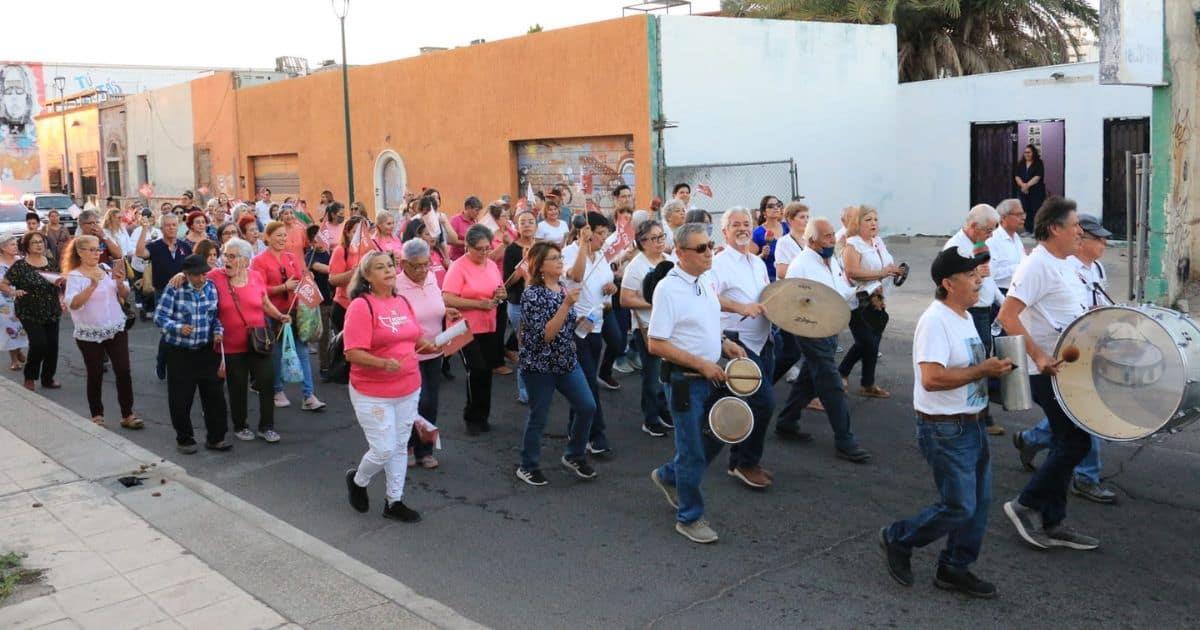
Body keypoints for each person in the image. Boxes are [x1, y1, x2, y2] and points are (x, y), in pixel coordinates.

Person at [881, 248, 1013, 598]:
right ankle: (898, 538)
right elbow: (932, 378)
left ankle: (954, 568)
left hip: (972, 422)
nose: (979, 280)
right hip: (944, 428)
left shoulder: (964, 316)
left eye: (979, 273)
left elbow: (967, 370)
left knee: (978, 505)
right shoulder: (935, 320)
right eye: (971, 276)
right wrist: (982, 370)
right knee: (959, 505)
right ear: (947, 283)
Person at [996, 196, 1100, 551]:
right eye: (1074, 226)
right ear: (1054, 228)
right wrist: (1039, 357)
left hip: (1068, 368)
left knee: (1067, 441)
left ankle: (1053, 521)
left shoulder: (1065, 263)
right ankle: (1024, 506)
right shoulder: (1036, 265)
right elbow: (1007, 317)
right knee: (1076, 442)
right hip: (1046, 371)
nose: (1080, 232)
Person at [646, 222, 749, 544]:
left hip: (710, 374)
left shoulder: (704, 279)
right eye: (701, 248)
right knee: (691, 450)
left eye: (710, 245)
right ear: (680, 253)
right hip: (684, 380)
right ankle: (689, 517)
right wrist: (703, 363)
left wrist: (723, 344)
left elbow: (703, 322)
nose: (710, 252)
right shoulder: (668, 288)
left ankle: (668, 475)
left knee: (721, 435)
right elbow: (656, 344)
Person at [1012, 213, 1116, 504]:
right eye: (1098, 238)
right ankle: (1084, 477)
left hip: (1089, 349)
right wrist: (1039, 356)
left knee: (1075, 423)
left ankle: (1032, 440)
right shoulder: (1054, 267)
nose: (1104, 243)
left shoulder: (1095, 268)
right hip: (1061, 358)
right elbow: (1010, 315)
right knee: (1083, 422)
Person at [343, 250, 437, 524]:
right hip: (373, 391)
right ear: (367, 276)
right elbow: (352, 352)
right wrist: (383, 364)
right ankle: (358, 480)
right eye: (380, 267)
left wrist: (427, 342)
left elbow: (413, 333)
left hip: (409, 386)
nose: (388, 271)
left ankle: (393, 501)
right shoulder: (362, 306)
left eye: (390, 265)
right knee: (383, 448)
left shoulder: (402, 300)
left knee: (398, 446)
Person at [775, 218, 871, 463]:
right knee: (831, 383)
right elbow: (794, 303)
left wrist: (862, 288)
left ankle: (786, 422)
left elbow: (838, 292)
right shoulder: (801, 266)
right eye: (826, 237)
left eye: (831, 235)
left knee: (808, 378)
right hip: (810, 331)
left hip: (830, 328)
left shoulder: (831, 260)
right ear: (811, 241)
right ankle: (845, 440)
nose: (832, 240)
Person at [515, 241, 599, 485]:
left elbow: (564, 325)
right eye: (554, 258)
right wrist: (566, 306)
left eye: (560, 257)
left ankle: (574, 454)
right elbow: (546, 335)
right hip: (540, 365)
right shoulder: (532, 294)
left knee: (587, 406)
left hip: (566, 360)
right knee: (539, 415)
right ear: (540, 266)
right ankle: (528, 465)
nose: (561, 261)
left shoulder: (562, 287)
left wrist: (582, 320)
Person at [711, 208, 777, 489]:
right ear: (724, 231)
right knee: (764, 403)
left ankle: (741, 460)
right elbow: (710, 299)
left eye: (746, 224)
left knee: (754, 404)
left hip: (765, 342)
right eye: (735, 225)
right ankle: (745, 462)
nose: (742, 229)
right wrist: (741, 307)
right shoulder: (718, 263)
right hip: (738, 343)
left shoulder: (758, 263)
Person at [61, 235, 139, 428]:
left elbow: (124, 294)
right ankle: (97, 414)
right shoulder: (75, 276)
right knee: (95, 373)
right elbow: (73, 304)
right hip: (90, 331)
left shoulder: (105, 269)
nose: (97, 253)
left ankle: (127, 414)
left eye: (99, 248)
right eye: (92, 250)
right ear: (80, 252)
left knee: (123, 371)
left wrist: (120, 283)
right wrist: (92, 286)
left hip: (115, 326)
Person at [155, 254, 229, 454]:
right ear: (186, 275)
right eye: (197, 275)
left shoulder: (211, 287)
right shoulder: (174, 288)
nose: (202, 278)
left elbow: (215, 317)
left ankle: (216, 438)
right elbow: (159, 317)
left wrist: (218, 332)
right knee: (181, 398)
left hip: (206, 350)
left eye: (204, 273)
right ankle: (185, 439)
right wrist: (178, 327)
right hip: (180, 352)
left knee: (214, 396)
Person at [942, 205, 1004, 435]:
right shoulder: (956, 248)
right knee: (975, 363)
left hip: (985, 310)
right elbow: (950, 284)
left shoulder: (981, 245)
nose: (991, 234)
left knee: (981, 360)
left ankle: (978, 412)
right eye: (988, 229)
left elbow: (990, 279)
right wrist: (978, 275)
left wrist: (1002, 301)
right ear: (974, 226)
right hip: (971, 312)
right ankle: (978, 415)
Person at [396, 238, 456, 469]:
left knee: (431, 403)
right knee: (413, 403)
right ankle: (408, 446)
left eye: (426, 264)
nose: (422, 270)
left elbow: (436, 304)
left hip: (435, 350)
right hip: (409, 354)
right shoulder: (396, 286)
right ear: (403, 264)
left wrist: (447, 311)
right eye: (416, 266)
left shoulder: (431, 278)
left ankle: (426, 449)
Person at [252, 221, 325, 411]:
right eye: (278, 235)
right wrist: (282, 287)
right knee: (276, 353)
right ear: (267, 238)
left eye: (285, 235)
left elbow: (301, 278)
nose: (283, 239)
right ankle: (277, 390)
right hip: (273, 313)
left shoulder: (292, 257)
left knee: (302, 352)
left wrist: (308, 280)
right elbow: (259, 290)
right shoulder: (259, 261)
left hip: (294, 312)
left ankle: (308, 395)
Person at [442, 224, 505, 435]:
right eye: (480, 249)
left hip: (487, 324)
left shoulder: (490, 265)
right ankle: (471, 416)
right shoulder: (458, 267)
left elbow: (496, 288)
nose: (485, 252)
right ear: (468, 246)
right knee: (476, 369)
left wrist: (500, 293)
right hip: (462, 326)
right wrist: (479, 304)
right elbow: (447, 297)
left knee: (486, 371)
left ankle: (483, 415)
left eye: (488, 248)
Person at [562, 212, 616, 456]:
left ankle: (576, 428)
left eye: (606, 234)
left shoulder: (601, 254)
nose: (604, 239)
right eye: (601, 234)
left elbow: (606, 282)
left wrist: (611, 288)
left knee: (585, 380)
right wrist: (583, 245)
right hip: (576, 326)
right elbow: (576, 276)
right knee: (589, 383)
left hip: (597, 324)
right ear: (587, 231)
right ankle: (596, 433)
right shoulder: (570, 252)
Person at [841, 205, 902, 398]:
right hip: (859, 300)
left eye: (875, 219)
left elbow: (884, 265)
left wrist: (893, 270)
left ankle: (867, 383)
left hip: (878, 298)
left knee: (871, 343)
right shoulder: (852, 244)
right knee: (867, 342)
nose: (873, 223)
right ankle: (842, 373)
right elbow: (852, 272)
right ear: (857, 224)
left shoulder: (877, 242)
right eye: (868, 220)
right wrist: (881, 273)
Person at [620, 220, 673, 437]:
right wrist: (654, 303)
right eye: (654, 238)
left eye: (662, 237)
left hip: (669, 326)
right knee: (651, 375)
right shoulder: (636, 266)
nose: (660, 242)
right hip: (647, 327)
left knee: (666, 373)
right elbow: (625, 299)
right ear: (642, 242)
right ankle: (650, 419)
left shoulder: (670, 260)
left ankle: (662, 410)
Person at [137, 213, 192, 381]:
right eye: (167, 225)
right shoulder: (155, 246)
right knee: (167, 331)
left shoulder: (184, 246)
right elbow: (140, 252)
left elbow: (191, 267)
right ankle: (161, 362)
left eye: (174, 225)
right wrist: (144, 229)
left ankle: (182, 365)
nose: (171, 228)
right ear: (162, 228)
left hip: (184, 293)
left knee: (183, 328)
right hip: (163, 293)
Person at [6, 231, 63, 391]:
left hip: (51, 309)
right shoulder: (20, 265)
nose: (39, 245)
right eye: (35, 242)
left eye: (41, 242)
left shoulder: (51, 262)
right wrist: (13, 292)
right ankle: (30, 377)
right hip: (29, 311)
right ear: (27, 247)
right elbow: (3, 283)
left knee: (52, 346)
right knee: (39, 344)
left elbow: (59, 283)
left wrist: (62, 289)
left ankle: (48, 378)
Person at [503, 210, 537, 404]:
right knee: (524, 346)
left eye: (530, 221)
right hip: (518, 303)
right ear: (517, 225)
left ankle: (539, 383)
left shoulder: (540, 247)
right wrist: (523, 266)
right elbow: (506, 282)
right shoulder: (512, 250)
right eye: (523, 222)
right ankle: (524, 389)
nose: (527, 225)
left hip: (539, 302)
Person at [328, 215, 372, 336]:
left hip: (364, 305)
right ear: (347, 233)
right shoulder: (341, 250)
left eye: (364, 234)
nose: (360, 237)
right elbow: (332, 280)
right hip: (344, 306)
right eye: (355, 232)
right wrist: (352, 273)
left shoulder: (370, 251)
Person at [986, 199, 1027, 307]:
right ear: (1003, 218)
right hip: (1000, 296)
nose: (1023, 218)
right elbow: (990, 274)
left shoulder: (1016, 238)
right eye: (1018, 214)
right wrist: (1019, 267)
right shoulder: (992, 240)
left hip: (1018, 293)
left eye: (1023, 214)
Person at [0, 234, 28, 371]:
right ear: (3, 248)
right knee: (10, 328)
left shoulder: (21, 261)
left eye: (16, 244)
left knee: (22, 328)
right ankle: (14, 359)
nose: (15, 246)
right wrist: (11, 292)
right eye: (12, 244)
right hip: (4, 303)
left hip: (22, 299)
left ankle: (18, 350)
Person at [752, 196, 787, 281]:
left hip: (789, 279)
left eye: (778, 205)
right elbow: (750, 261)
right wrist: (762, 255)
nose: (776, 208)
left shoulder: (788, 228)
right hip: (769, 280)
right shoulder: (757, 233)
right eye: (771, 206)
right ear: (764, 212)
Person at [1014, 144, 1046, 234]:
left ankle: (1036, 231)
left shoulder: (1038, 163)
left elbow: (1037, 177)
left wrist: (1026, 186)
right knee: (1026, 210)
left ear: (1033, 153)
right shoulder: (1021, 163)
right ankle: (1028, 229)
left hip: (1036, 191)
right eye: (1025, 153)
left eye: (1028, 152)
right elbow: (1017, 176)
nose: (1026, 154)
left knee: (1036, 210)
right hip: (1024, 192)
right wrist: (1022, 185)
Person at [448, 196, 483, 260]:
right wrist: (467, 243)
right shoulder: (455, 220)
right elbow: (449, 240)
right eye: (476, 210)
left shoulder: (475, 221)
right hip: (456, 258)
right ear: (468, 208)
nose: (478, 213)